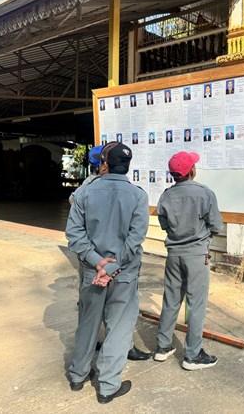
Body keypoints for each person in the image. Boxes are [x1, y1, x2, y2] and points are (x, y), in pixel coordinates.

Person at [66, 141, 150, 404]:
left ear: (104, 164)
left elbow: (74, 234)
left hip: (92, 271)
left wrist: (97, 263)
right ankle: (107, 386)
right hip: (123, 273)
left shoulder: (84, 193)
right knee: (119, 328)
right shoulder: (138, 196)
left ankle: (78, 375)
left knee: (88, 323)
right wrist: (111, 267)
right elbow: (135, 239)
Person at [153, 151, 223, 371]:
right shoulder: (205, 193)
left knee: (171, 300)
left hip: (173, 254)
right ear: (192, 170)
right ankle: (192, 355)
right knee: (196, 305)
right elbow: (216, 225)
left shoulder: (166, 195)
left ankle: (163, 347)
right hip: (196, 255)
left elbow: (164, 223)